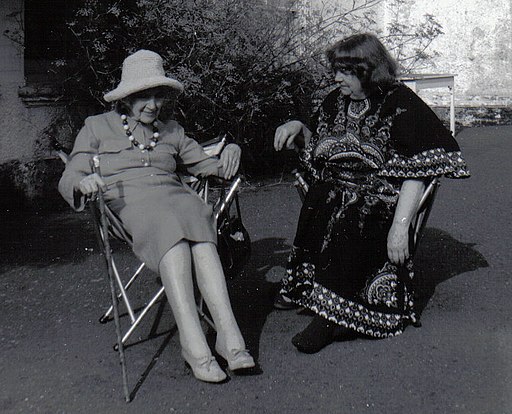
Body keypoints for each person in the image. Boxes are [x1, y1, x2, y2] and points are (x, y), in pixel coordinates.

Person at [59, 49, 255, 382]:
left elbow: (214, 167)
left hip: (175, 202)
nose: (152, 104)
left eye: (158, 96)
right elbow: (70, 176)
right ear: (126, 98)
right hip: (128, 208)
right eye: (143, 97)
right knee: (176, 230)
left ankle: (228, 336)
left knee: (198, 217)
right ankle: (193, 344)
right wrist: (83, 180)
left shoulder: (172, 131)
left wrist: (233, 147)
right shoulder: (96, 127)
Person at [273, 33, 470, 354]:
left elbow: (419, 170)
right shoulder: (336, 100)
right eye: (336, 70)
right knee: (323, 196)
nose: (336, 78)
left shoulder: (400, 102)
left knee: (355, 208)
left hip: (382, 197)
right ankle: (313, 289)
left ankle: (332, 319)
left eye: (344, 71)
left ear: (367, 70)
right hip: (337, 187)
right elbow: (318, 148)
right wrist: (298, 127)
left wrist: (400, 227)